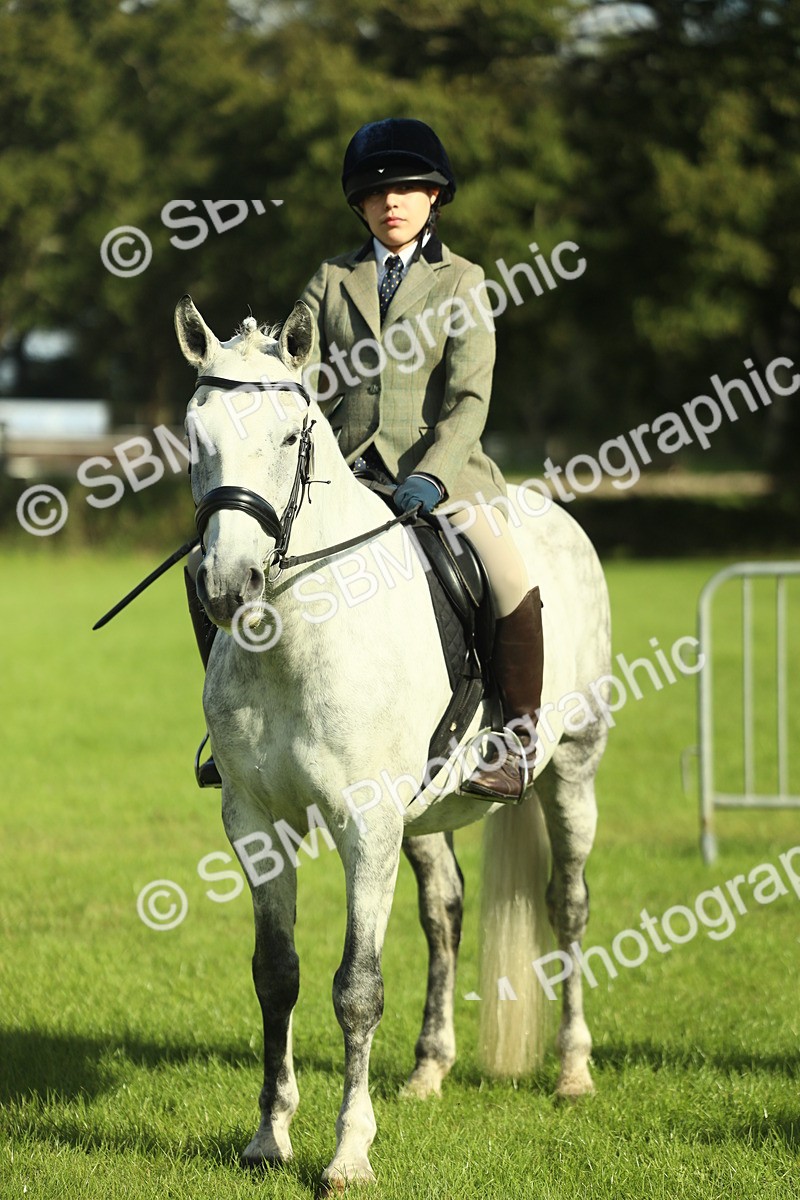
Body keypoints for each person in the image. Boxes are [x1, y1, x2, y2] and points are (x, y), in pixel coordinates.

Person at [296, 117, 544, 802]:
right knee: (229, 563)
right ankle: (236, 737)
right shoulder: (330, 280)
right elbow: (301, 375)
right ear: (359, 204)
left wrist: (431, 475)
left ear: (435, 195)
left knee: (506, 570)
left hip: (445, 475)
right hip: (347, 475)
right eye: (376, 192)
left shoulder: (462, 281)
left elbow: (469, 399)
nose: (391, 202)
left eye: (407, 188)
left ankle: (516, 743)